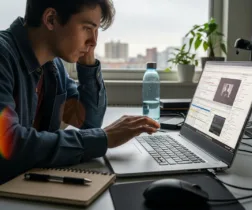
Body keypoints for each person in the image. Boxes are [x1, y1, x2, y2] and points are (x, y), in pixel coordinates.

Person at [0, 0, 160, 184]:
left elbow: (88, 122)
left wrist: (87, 62)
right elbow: (9, 146)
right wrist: (104, 138)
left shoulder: (53, 67)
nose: (94, 41)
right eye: (87, 28)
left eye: (96, 30)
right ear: (51, 19)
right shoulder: (3, 57)